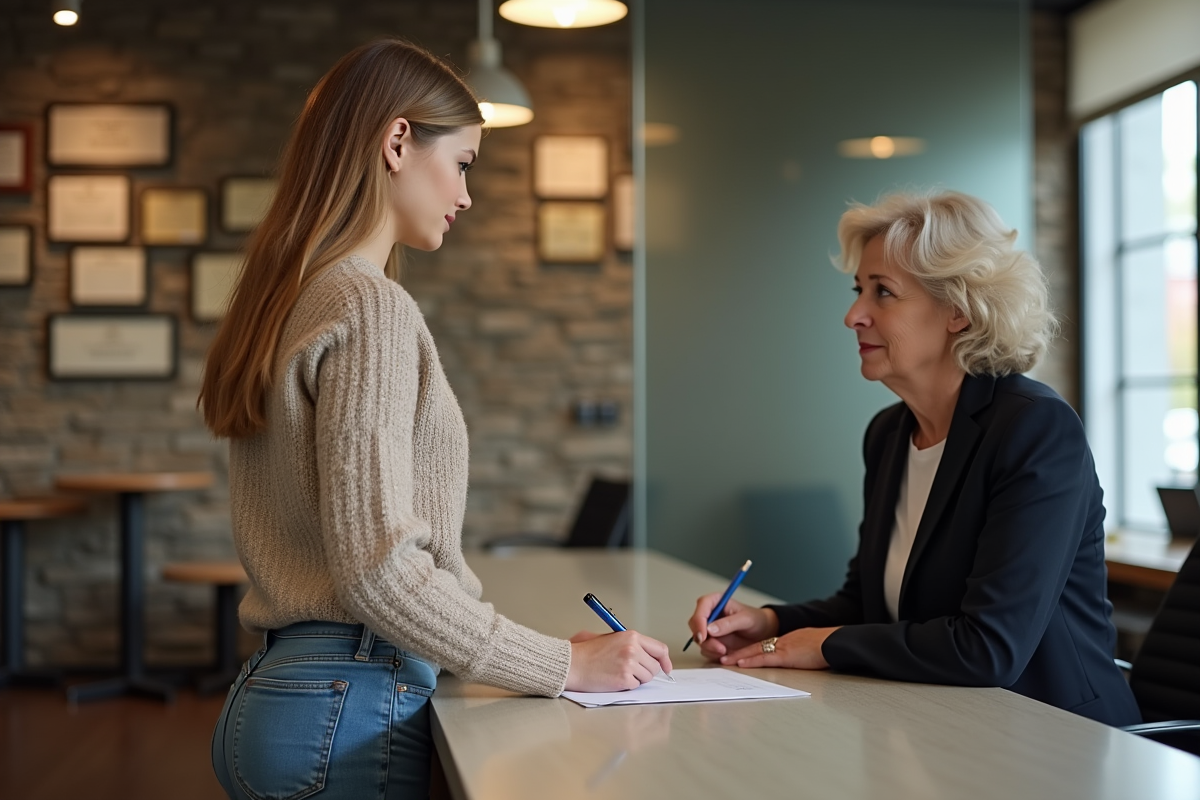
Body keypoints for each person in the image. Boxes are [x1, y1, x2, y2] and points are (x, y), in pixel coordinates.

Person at [200, 40, 672, 800]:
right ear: (396, 142)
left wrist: (537, 649)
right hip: (344, 707)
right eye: (463, 163)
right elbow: (379, 572)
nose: (466, 194)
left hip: (293, 695)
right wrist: (563, 667)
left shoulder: (298, 297)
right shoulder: (367, 304)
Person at [687, 191, 1141, 727]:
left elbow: (989, 648)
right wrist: (768, 623)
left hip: (1055, 737)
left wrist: (827, 645)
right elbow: (869, 603)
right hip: (936, 724)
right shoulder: (888, 434)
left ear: (959, 310)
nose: (853, 315)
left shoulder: (1034, 429)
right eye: (860, 290)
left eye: (883, 293)